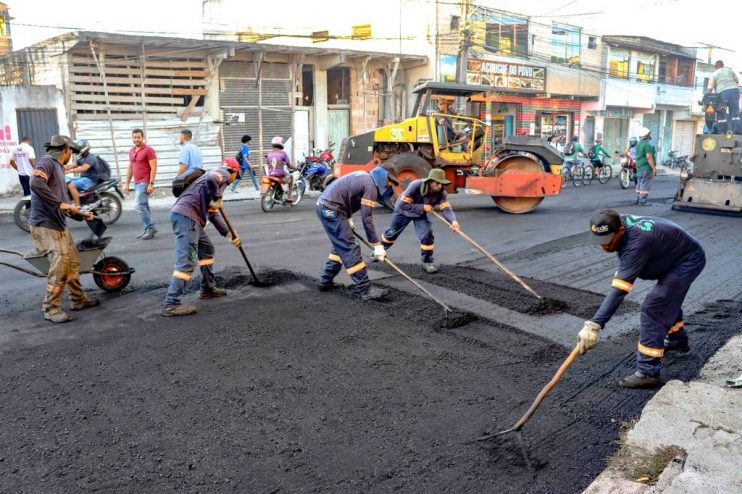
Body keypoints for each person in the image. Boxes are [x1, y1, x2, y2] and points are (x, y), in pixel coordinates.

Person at [577, 210, 706, 389]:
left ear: (621, 231)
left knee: (654, 306)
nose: (604, 247)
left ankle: (648, 372)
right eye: (600, 242)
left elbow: (619, 291)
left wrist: (594, 325)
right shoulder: (616, 222)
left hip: (687, 260)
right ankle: (677, 339)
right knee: (667, 298)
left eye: (607, 242)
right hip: (669, 254)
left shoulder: (637, 244)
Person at [28, 135, 100, 323]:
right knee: (60, 264)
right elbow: (35, 183)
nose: (72, 155)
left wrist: (81, 215)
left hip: (58, 224)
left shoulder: (58, 168)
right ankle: (51, 309)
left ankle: (78, 300)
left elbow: (64, 207)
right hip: (44, 225)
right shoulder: (47, 162)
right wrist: (60, 204)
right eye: (71, 151)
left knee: (73, 262)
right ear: (66, 150)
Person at [161, 160, 243, 317]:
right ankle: (171, 304)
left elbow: (213, 214)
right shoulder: (223, 173)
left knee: (207, 249)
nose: (235, 180)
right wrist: (217, 196)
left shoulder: (212, 182)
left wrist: (229, 234)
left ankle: (207, 289)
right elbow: (212, 178)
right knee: (187, 262)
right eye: (237, 176)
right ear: (233, 171)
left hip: (191, 219)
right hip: (187, 218)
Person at [316, 163, 399, 300]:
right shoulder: (370, 186)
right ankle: (366, 289)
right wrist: (377, 245)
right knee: (350, 246)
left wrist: (348, 217)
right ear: (382, 175)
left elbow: (346, 195)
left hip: (329, 207)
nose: (389, 184)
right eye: (389, 180)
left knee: (341, 245)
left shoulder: (364, 177)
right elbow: (367, 219)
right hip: (331, 209)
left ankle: (325, 281)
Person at [379, 168, 460, 274]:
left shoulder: (441, 193)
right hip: (403, 211)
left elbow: (446, 209)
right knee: (391, 232)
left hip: (421, 214)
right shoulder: (415, 185)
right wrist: (422, 207)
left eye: (442, 183)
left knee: (427, 234)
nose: (440, 186)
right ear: (430, 181)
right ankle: (379, 249)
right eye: (437, 183)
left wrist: (453, 221)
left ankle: (427, 261)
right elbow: (401, 205)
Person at [124, 128, 158, 240]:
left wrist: (151, 183)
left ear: (142, 138)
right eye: (134, 137)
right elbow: (130, 168)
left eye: (139, 137)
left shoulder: (149, 150)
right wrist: (127, 183)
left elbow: (153, 167)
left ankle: (150, 227)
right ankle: (147, 229)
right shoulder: (132, 151)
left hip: (145, 181)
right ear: (132, 138)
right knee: (144, 206)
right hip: (137, 182)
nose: (136, 139)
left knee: (139, 205)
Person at [707, 60, 740, 133]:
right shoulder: (730, 70)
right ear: (723, 65)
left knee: (721, 110)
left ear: (716, 67)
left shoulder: (714, 74)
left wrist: (706, 99)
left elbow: (709, 89)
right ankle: (736, 130)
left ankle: (723, 131)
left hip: (723, 92)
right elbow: (737, 81)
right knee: (735, 111)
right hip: (735, 90)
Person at [266, 136, 300, 202]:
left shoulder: (269, 154)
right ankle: (289, 197)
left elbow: (268, 164)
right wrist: (298, 168)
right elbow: (289, 166)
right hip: (280, 175)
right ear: (281, 144)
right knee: (291, 177)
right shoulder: (283, 154)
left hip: (270, 174)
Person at [634, 127, 656, 206]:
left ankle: (638, 199)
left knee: (639, 184)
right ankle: (642, 201)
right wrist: (653, 168)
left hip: (639, 167)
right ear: (646, 135)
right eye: (649, 134)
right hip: (646, 168)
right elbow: (649, 157)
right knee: (645, 184)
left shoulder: (638, 144)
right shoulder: (647, 145)